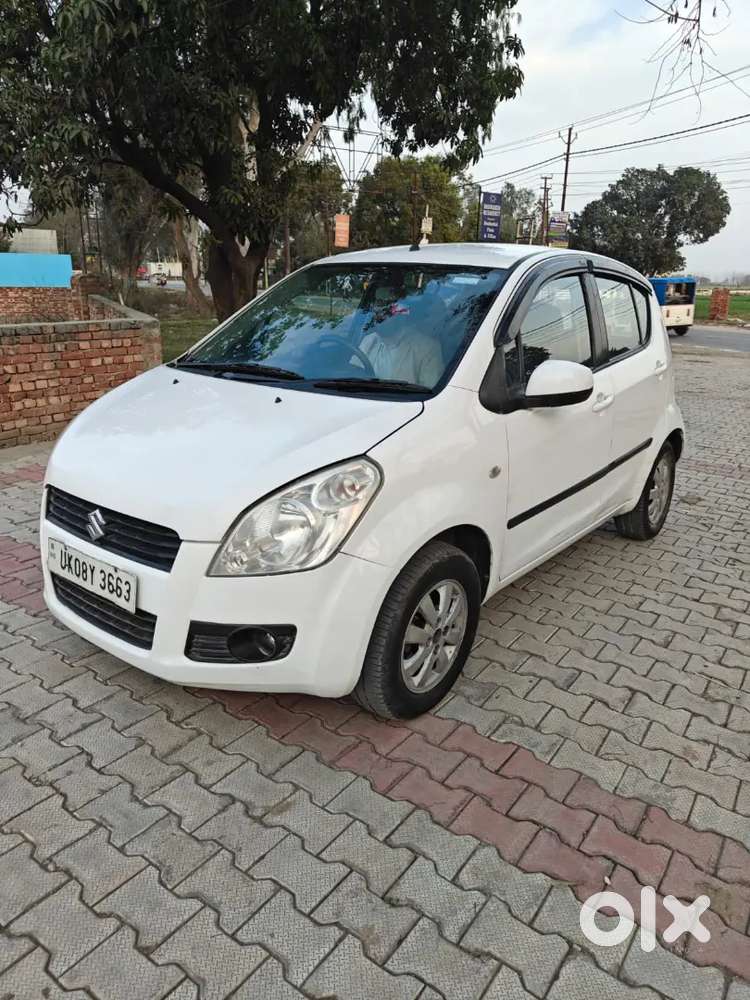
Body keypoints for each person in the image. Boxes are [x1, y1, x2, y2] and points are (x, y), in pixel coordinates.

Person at [359, 287, 444, 387]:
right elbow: (353, 373)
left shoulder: (427, 348)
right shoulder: (369, 340)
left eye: (388, 311)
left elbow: (430, 391)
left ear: (402, 317)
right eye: (377, 310)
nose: (380, 316)